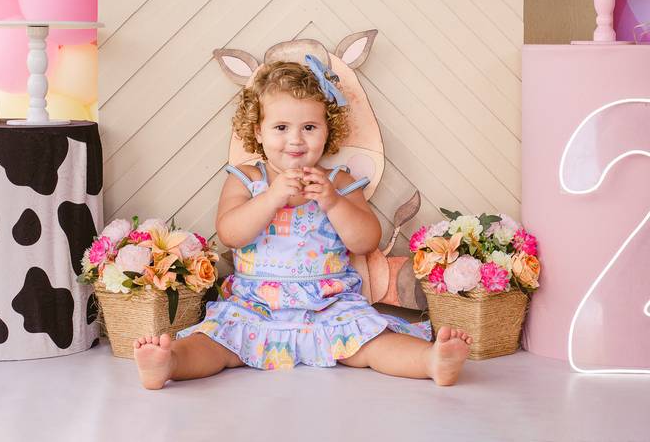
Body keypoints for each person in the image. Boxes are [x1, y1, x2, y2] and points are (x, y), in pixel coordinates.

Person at [133, 56, 471, 389]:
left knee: (372, 341)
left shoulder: (339, 181)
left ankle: (431, 361)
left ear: (327, 130)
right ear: (259, 131)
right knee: (215, 342)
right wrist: (271, 197)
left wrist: (333, 202)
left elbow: (366, 240)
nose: (296, 139)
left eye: (309, 127)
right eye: (281, 127)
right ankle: (170, 362)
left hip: (329, 305)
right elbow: (230, 233)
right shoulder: (248, 179)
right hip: (255, 306)